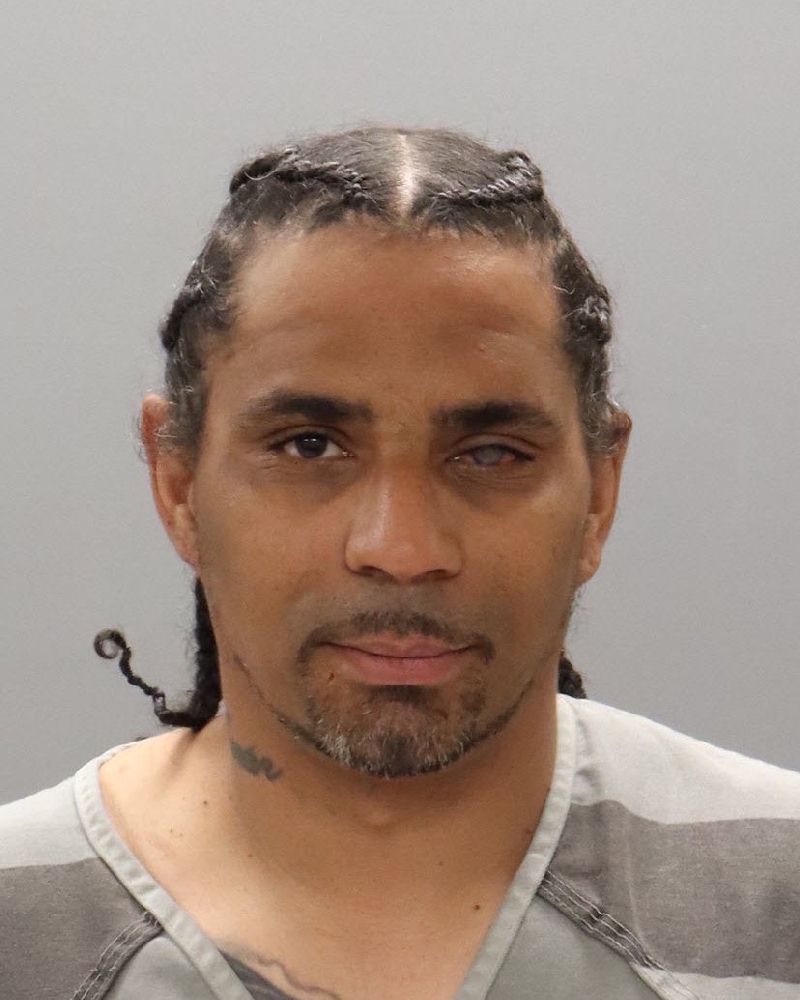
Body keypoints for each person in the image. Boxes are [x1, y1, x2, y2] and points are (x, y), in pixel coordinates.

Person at [1, 125, 798, 1000]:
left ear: (599, 492)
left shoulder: (776, 896)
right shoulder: (20, 929)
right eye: (309, 445)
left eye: (490, 453)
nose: (402, 550)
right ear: (179, 482)